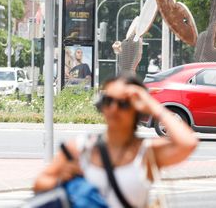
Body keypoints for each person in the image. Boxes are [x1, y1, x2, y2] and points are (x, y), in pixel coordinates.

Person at [33, 74, 198, 208]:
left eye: (123, 103)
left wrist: (154, 107)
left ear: (138, 108)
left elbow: (188, 143)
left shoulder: (146, 152)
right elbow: (40, 183)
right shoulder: (80, 148)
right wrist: (61, 179)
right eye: (108, 101)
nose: (114, 108)